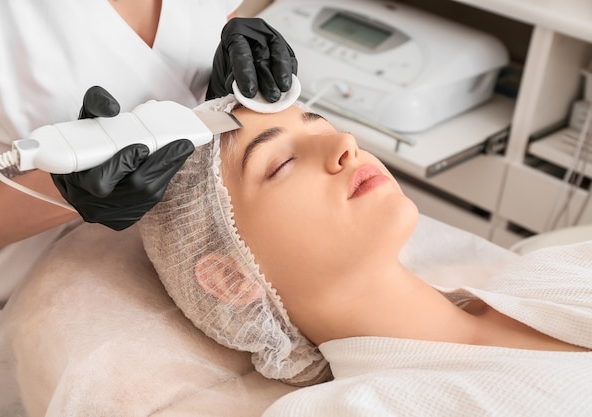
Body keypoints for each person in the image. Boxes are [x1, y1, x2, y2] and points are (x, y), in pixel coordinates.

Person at [139, 95, 592, 415]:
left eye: (325, 127)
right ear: (232, 279)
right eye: (281, 163)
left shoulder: (559, 269)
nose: (345, 145)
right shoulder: (347, 410)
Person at [0, 0, 297, 361]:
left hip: (180, 305)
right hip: (9, 330)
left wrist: (229, 90)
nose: (347, 147)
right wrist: (64, 193)